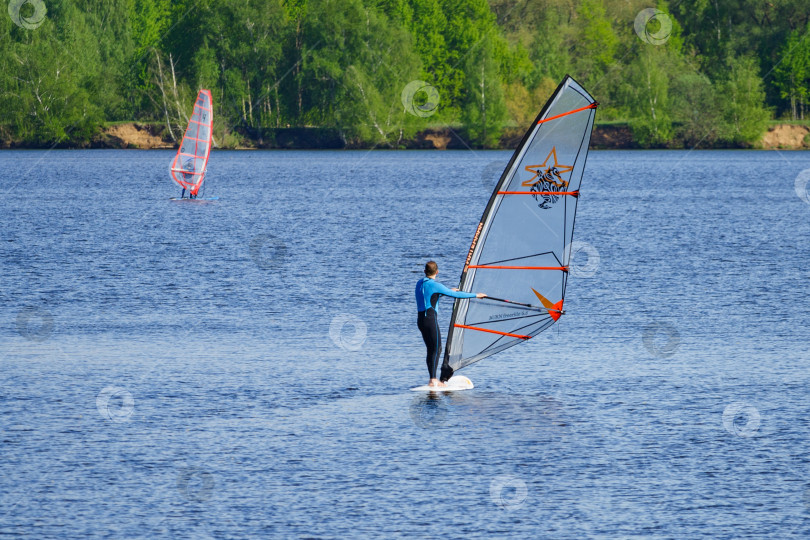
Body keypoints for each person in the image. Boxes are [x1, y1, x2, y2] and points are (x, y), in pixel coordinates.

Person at [415, 261, 486, 387]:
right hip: (430, 320)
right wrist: (476, 295)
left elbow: (430, 296)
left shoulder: (419, 283)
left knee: (431, 349)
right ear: (437, 272)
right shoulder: (436, 285)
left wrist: (445, 291)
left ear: (424, 272)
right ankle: (433, 380)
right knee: (437, 349)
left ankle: (432, 378)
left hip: (421, 321)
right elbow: (456, 294)